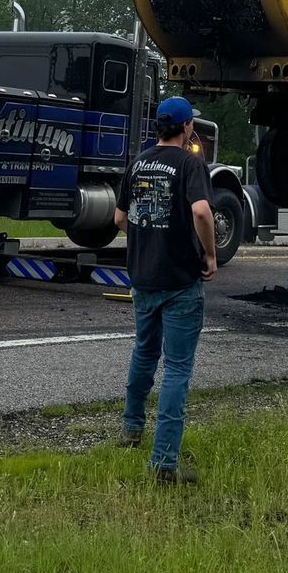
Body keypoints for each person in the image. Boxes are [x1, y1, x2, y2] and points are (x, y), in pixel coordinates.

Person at [115, 94, 217, 483]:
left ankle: (131, 428)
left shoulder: (137, 163)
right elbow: (202, 211)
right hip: (179, 281)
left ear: (158, 127)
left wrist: (148, 235)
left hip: (143, 276)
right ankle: (164, 464)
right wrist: (209, 254)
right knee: (176, 369)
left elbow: (120, 218)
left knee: (144, 352)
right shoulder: (191, 163)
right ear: (187, 127)